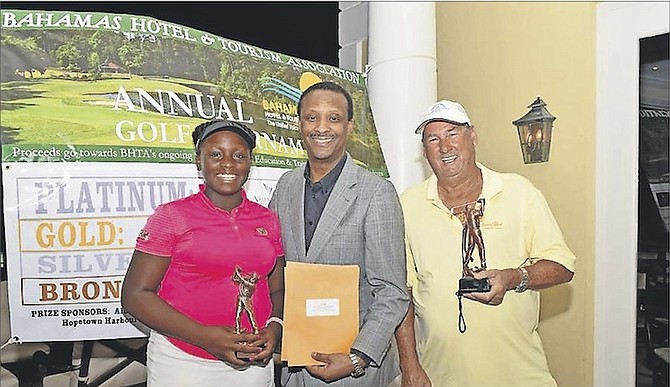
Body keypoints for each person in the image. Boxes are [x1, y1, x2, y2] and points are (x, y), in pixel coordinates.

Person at [395, 100, 576, 387]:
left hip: (518, 376)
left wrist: (514, 277)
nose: (444, 147)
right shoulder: (407, 205)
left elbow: (563, 266)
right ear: (424, 150)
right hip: (438, 376)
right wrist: (410, 367)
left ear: (473, 137)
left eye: (453, 134)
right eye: (433, 139)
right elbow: (400, 291)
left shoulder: (519, 192)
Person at [121, 119, 285, 387]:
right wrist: (206, 338)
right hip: (183, 361)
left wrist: (275, 327)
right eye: (215, 155)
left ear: (249, 163)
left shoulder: (267, 219)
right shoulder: (172, 216)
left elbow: (277, 289)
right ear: (199, 162)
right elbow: (135, 295)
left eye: (239, 156)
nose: (228, 164)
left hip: (252, 362)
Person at [268, 81, 410, 386]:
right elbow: (272, 266)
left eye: (333, 118)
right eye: (311, 117)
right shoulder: (285, 186)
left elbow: (392, 291)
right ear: (299, 123)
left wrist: (359, 357)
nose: (322, 128)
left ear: (349, 126)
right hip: (292, 368)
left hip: (351, 369)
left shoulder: (376, 193)